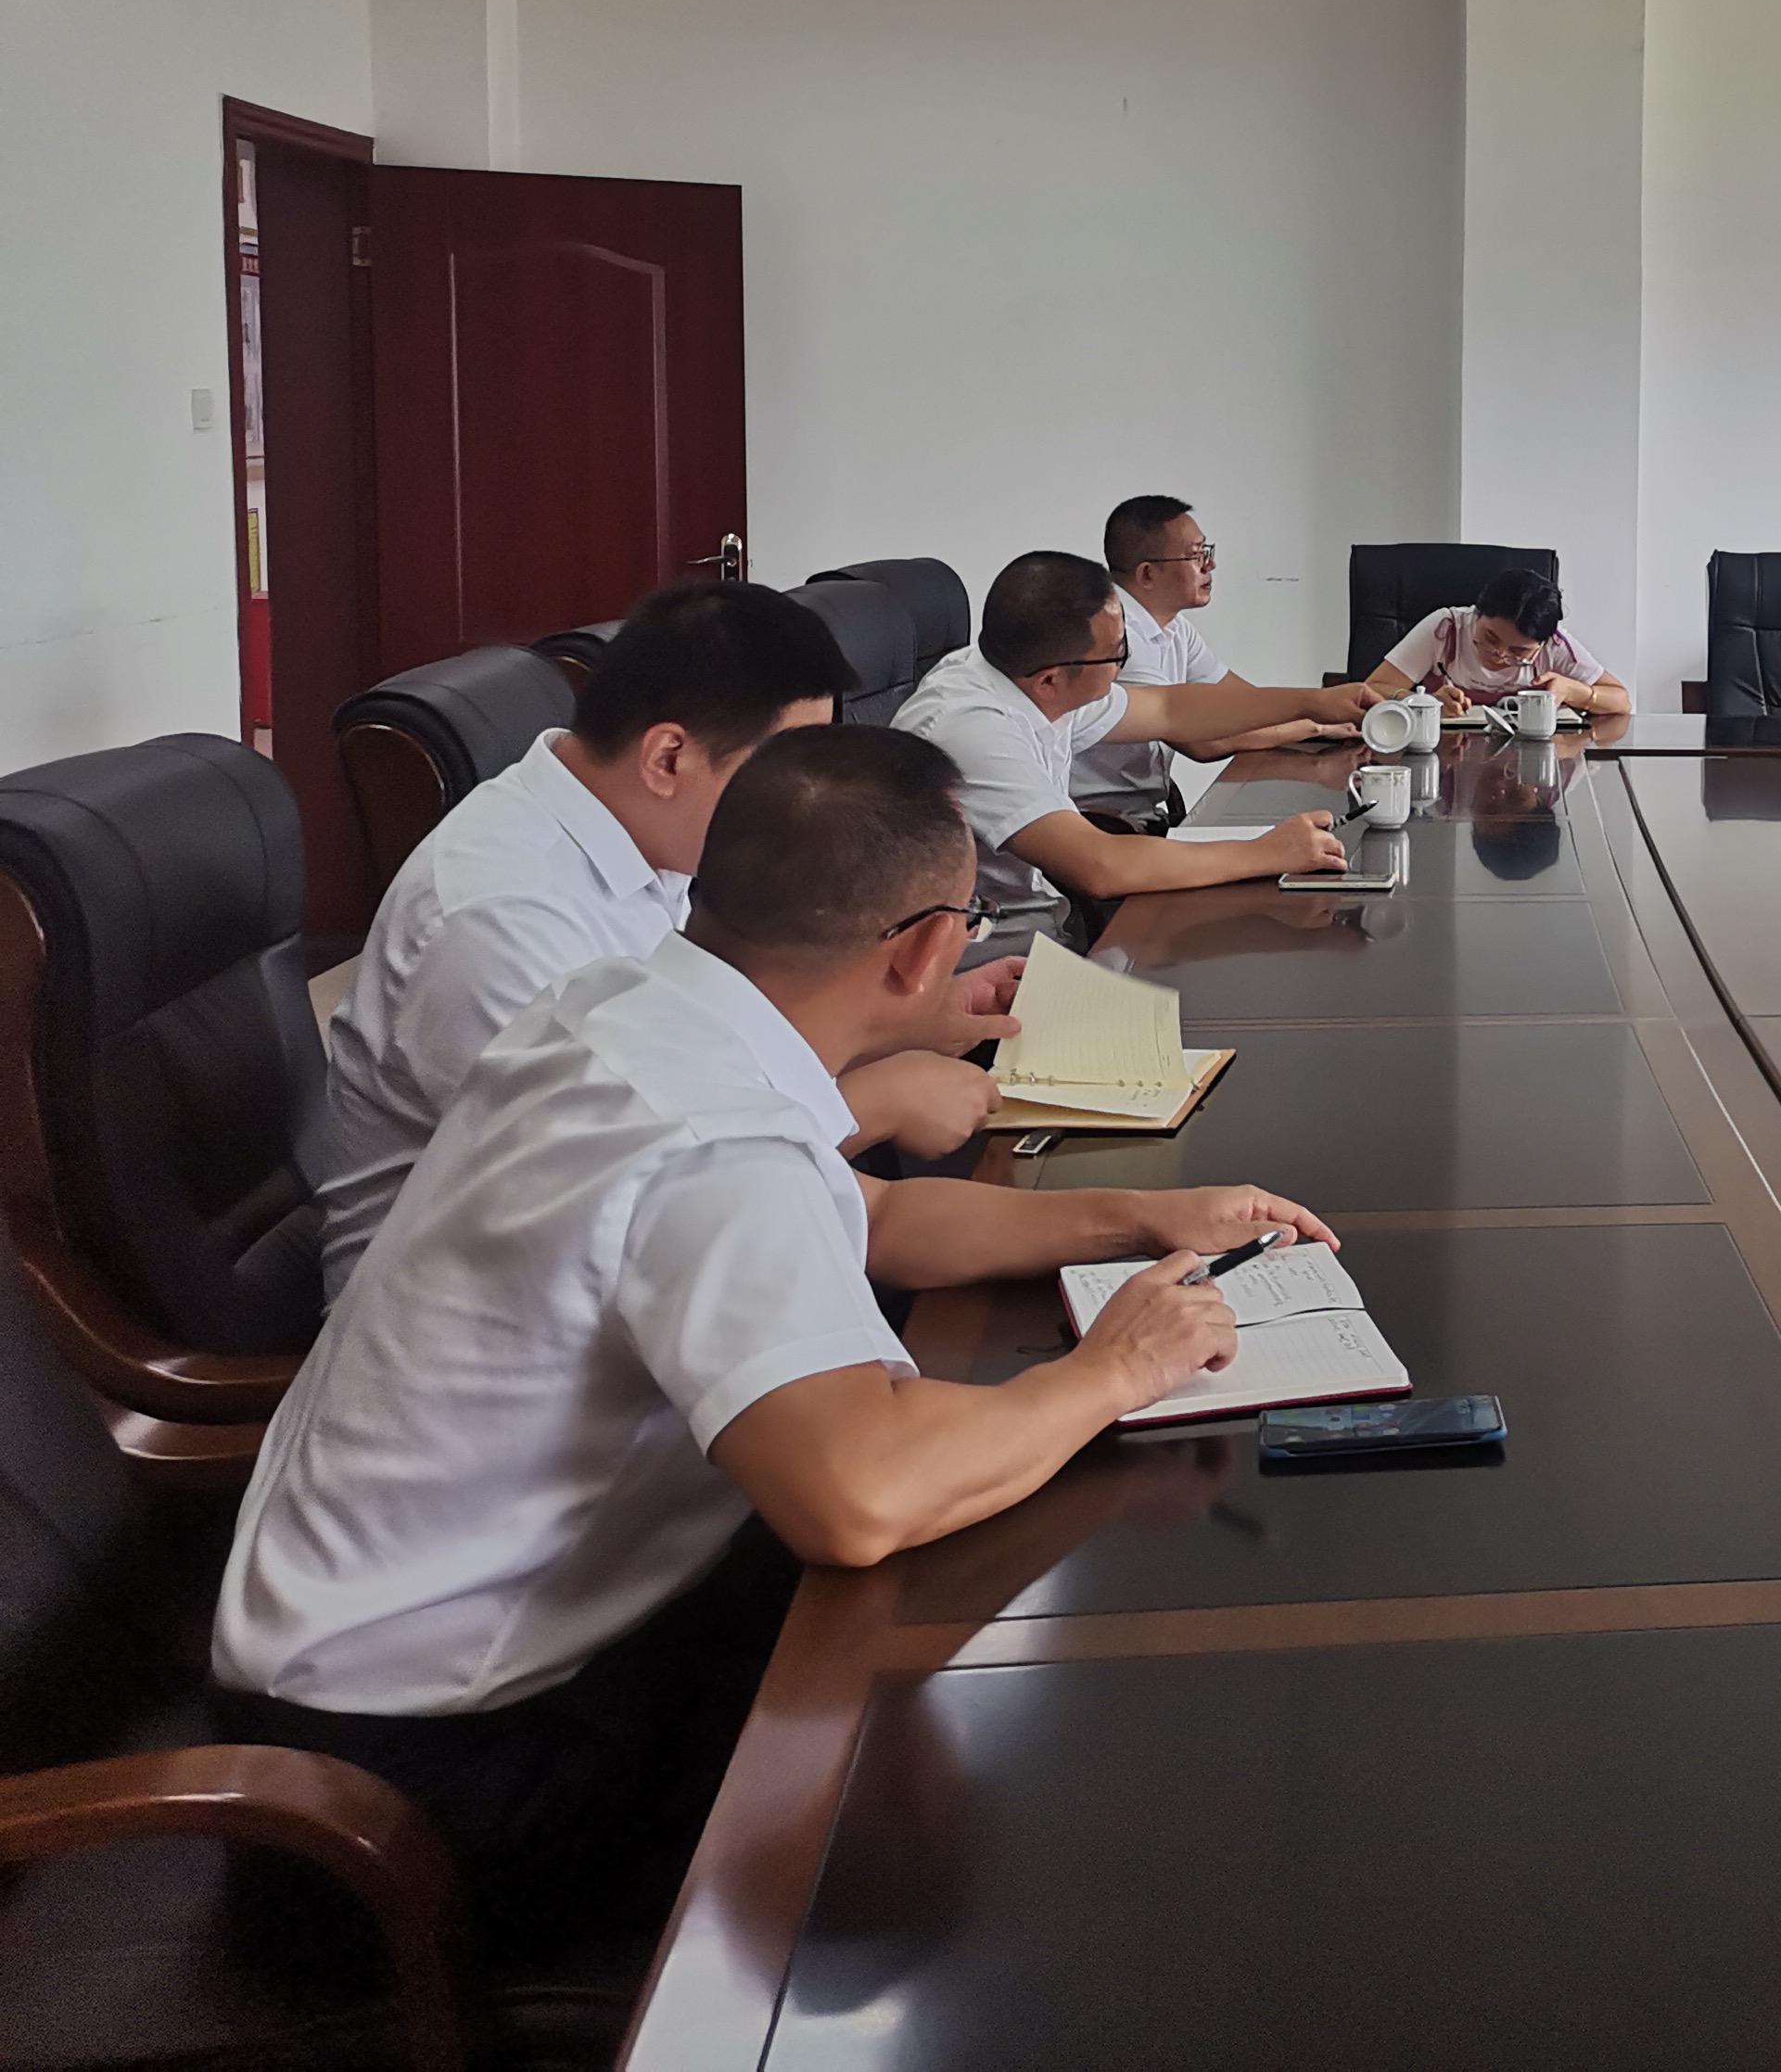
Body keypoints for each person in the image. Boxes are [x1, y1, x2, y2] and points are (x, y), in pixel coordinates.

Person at [215, 730, 1330, 1959]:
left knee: (941, 1628)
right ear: (923, 950)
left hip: (366, 1681)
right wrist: (1117, 1368)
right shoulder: (716, 1135)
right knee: (981, 1831)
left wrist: (1143, 1217)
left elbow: (874, 1217)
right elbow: (858, 1495)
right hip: (411, 1794)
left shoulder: (622, 1007)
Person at [310, 580, 1012, 1303]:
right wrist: (872, 1101)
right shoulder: (500, 919)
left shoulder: (652, 836)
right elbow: (616, 1181)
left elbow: (705, 1050)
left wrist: (900, 1020)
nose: (809, 796)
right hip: (493, 1308)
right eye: (787, 769)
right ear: (669, 757)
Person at [895, 550, 1362, 918]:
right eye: (1117, 655)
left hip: (1046, 918)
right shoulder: (973, 728)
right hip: (995, 957)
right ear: (1051, 679)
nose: (1125, 663)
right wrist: (1268, 853)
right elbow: (1099, 865)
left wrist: (1314, 701)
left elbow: (1169, 709)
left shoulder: (1027, 676)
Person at [1069, 495, 1327, 820]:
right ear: (1147, 574)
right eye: (1195, 555)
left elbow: (1243, 701)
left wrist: (1324, 711)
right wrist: (1316, 723)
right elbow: (1203, 739)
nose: (1209, 564)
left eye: (1207, 551)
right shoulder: (1118, 636)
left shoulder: (1176, 629)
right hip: (1096, 822)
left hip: (1142, 814)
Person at [1365, 564, 1631, 718]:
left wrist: (1575, 691)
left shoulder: (1556, 646)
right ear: (1476, 614)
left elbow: (1621, 701)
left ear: (1543, 644)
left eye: (1518, 651)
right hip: (1445, 758)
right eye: (1489, 637)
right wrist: (1425, 702)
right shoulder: (1446, 629)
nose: (1498, 655)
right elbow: (1373, 689)